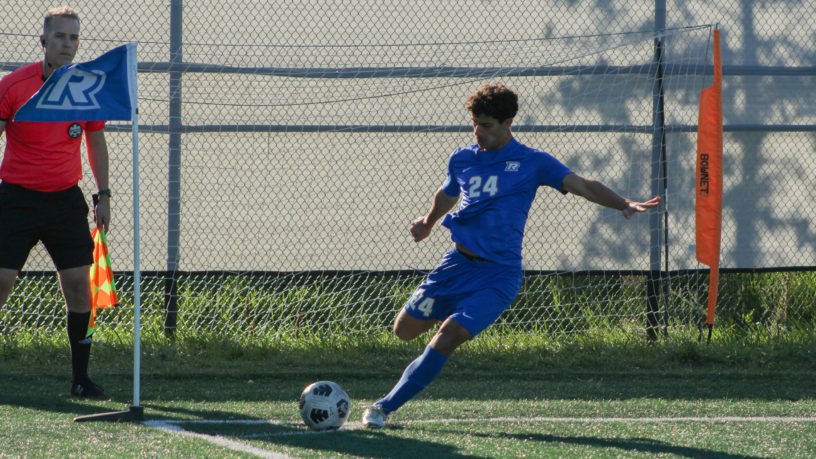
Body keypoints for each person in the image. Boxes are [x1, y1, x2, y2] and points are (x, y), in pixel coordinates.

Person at [362, 83, 660, 428]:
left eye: (487, 125)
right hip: (455, 266)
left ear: (508, 123)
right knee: (404, 330)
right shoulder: (461, 159)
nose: (479, 132)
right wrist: (428, 222)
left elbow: (582, 184)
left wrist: (623, 202)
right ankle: (439, 316)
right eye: (475, 123)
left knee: (449, 336)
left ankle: (383, 407)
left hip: (499, 276)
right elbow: (448, 193)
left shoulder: (533, 162)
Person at [0, 6, 111, 397]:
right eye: (60, 37)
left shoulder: (85, 86)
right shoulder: (14, 86)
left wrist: (104, 194)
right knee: (1, 282)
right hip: (16, 199)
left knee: (80, 289)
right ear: (43, 41)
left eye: (74, 37)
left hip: (65, 201)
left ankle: (80, 379)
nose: (67, 44)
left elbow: (95, 139)